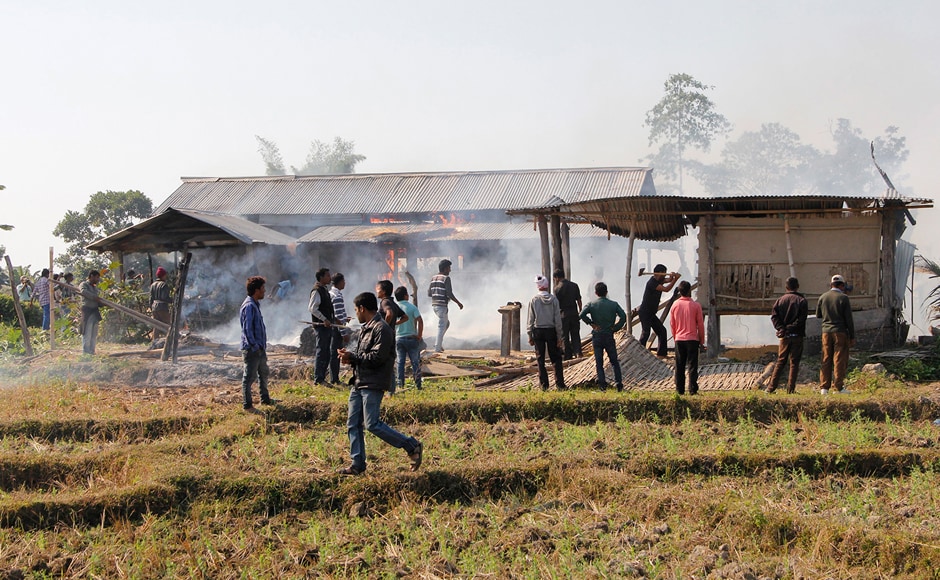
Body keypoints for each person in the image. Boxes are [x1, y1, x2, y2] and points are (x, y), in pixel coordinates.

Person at [337, 292, 424, 475]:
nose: (356, 314)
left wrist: (354, 357)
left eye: (356, 310)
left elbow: (377, 358)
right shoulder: (366, 328)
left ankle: (411, 445)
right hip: (360, 381)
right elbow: (363, 356)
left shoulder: (382, 329)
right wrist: (349, 357)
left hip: (373, 382)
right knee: (353, 424)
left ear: (362, 309)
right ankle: (357, 464)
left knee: (372, 424)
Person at [579, 282, 627, 391]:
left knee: (599, 362)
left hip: (597, 336)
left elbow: (581, 315)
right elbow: (623, 317)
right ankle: (619, 384)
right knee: (614, 361)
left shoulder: (591, 304)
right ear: (606, 292)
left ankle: (602, 385)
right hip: (609, 335)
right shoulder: (614, 304)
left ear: (596, 293)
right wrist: (615, 328)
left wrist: (591, 323)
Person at [766, 276, 808, 394]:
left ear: (786, 287)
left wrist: (781, 329)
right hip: (797, 336)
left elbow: (774, 317)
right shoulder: (802, 301)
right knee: (794, 362)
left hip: (784, 337)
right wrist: (789, 328)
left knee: (781, 361)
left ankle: (770, 388)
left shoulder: (780, 300)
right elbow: (801, 320)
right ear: (797, 286)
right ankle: (790, 389)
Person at [240, 276, 275, 412]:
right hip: (252, 349)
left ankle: (265, 399)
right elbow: (247, 330)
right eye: (263, 288)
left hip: (259, 348)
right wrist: (255, 347)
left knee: (263, 373)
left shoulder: (255, 304)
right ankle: (247, 405)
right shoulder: (249, 306)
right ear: (256, 290)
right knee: (249, 377)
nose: (264, 291)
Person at [816, 274, 855, 395]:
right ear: (842, 285)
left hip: (826, 332)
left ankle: (824, 388)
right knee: (839, 359)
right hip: (840, 332)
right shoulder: (844, 298)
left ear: (831, 285)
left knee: (826, 358)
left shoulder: (823, 297)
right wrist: (852, 336)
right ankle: (838, 387)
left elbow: (818, 315)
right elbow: (849, 319)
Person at [527, 275, 567, 391]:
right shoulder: (554, 299)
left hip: (538, 330)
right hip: (551, 331)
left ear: (538, 287)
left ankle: (544, 385)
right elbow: (557, 319)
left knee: (540, 359)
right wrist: (559, 336)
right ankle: (560, 384)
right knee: (556, 358)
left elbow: (530, 319)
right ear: (547, 286)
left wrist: (530, 334)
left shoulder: (534, 300)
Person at [670, 281, 705, 395]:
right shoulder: (696, 305)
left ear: (679, 292)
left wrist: (676, 337)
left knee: (679, 365)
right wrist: (701, 341)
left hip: (679, 339)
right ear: (690, 291)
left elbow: (672, 324)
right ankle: (692, 389)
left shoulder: (675, 305)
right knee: (692, 366)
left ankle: (680, 390)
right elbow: (700, 325)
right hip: (692, 339)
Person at [638, 264, 680, 357]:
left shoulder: (659, 280)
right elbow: (666, 289)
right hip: (645, 312)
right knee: (646, 333)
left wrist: (672, 277)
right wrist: (675, 279)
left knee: (662, 331)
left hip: (651, 313)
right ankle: (639, 353)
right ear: (659, 273)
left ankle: (661, 354)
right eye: (664, 273)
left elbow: (668, 280)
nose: (665, 275)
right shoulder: (652, 282)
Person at [428, 259, 463, 352]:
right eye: (449, 268)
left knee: (446, 324)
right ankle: (437, 348)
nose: (450, 270)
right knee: (442, 325)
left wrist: (437, 293)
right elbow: (449, 294)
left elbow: (429, 293)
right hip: (441, 306)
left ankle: (438, 343)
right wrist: (459, 303)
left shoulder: (433, 277)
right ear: (445, 268)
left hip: (434, 306)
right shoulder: (446, 278)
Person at [308, 268, 334, 385]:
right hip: (321, 326)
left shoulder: (324, 289)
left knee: (326, 352)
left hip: (327, 327)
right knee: (321, 351)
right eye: (328, 276)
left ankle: (322, 377)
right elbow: (312, 308)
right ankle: (318, 379)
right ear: (321, 277)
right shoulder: (317, 290)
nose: (330, 278)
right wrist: (324, 319)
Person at [394, 285, 424, 391]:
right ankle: (418, 385)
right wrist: (419, 335)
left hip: (399, 339)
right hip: (412, 338)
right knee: (415, 362)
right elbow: (420, 320)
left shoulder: (394, 308)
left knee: (400, 362)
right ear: (406, 296)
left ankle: (400, 385)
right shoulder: (412, 307)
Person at [553, 269, 583, 359]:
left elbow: (556, 305)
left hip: (563, 315)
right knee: (575, 334)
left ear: (557, 278)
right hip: (574, 313)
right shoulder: (574, 285)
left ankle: (568, 356)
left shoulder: (557, 289)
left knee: (564, 336)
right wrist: (580, 310)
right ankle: (578, 353)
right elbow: (579, 300)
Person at [329, 272, 353, 384]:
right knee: (336, 353)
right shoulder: (337, 296)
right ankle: (334, 379)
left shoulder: (331, 293)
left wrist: (345, 318)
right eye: (343, 281)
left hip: (332, 327)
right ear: (339, 282)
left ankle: (333, 378)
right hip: (337, 329)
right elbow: (338, 317)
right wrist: (344, 333)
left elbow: (336, 314)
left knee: (333, 353)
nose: (345, 283)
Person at [78, 270, 103, 355]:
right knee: (87, 332)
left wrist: (102, 303)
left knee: (94, 334)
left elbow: (97, 300)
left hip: (95, 311)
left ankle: (92, 351)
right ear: (91, 276)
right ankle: (86, 352)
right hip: (87, 310)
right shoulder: (84, 284)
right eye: (97, 277)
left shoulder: (95, 287)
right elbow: (83, 292)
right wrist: (94, 297)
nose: (98, 279)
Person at [149, 266, 172, 349]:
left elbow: (151, 298)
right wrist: (173, 301)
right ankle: (169, 343)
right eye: (165, 275)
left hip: (154, 307)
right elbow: (164, 298)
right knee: (168, 325)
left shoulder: (153, 285)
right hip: (162, 307)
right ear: (163, 276)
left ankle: (154, 344)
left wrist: (151, 308)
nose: (166, 276)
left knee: (156, 326)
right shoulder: (164, 285)